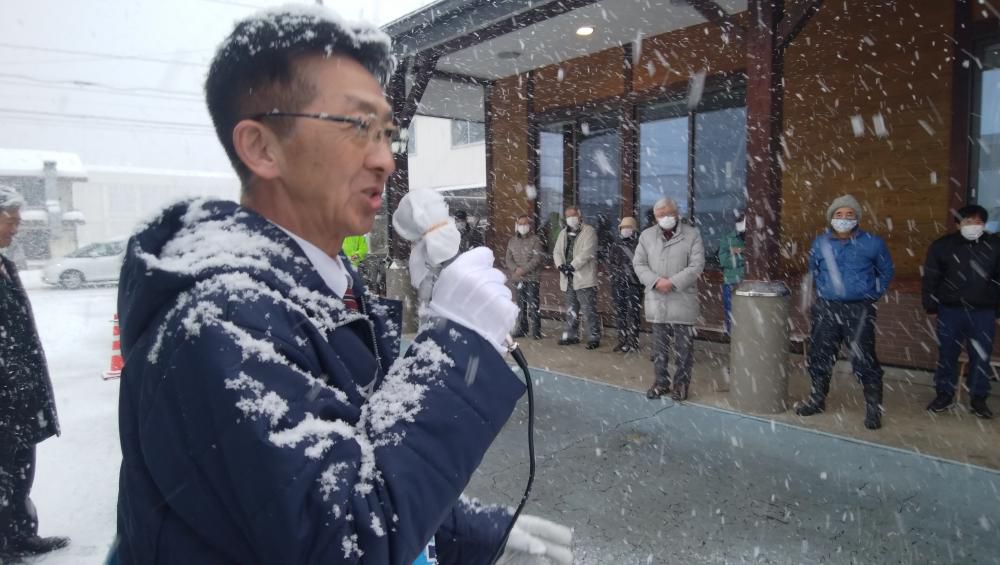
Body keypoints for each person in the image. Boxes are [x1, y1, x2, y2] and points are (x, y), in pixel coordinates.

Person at [112, 8, 572, 565]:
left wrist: (463, 532)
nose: (383, 159)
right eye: (356, 127)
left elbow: (349, 463)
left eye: (386, 132)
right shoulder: (219, 320)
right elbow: (342, 542)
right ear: (262, 147)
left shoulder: (319, 288)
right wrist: (461, 347)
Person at [0, 185, 70, 560]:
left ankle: (20, 535)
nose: (17, 226)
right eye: (10, 219)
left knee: (19, 469)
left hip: (20, 394)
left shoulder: (6, 266)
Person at [795, 194, 894, 430]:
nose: (844, 218)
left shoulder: (872, 243)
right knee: (820, 354)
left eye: (849, 214)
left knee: (864, 358)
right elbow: (813, 271)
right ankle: (817, 399)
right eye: (839, 214)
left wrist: (871, 296)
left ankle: (873, 409)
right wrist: (819, 297)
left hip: (859, 309)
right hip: (826, 308)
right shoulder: (820, 243)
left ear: (857, 218)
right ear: (831, 218)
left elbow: (886, 271)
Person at [922, 205, 999, 419]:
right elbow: (931, 278)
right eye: (967, 221)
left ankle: (978, 397)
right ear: (958, 224)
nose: (973, 226)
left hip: (983, 311)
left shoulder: (995, 245)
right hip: (950, 310)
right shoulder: (943, 246)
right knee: (947, 354)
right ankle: (944, 394)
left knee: (981, 356)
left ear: (984, 224)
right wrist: (931, 305)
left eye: (977, 222)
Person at [633, 198, 705, 402]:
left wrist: (672, 282)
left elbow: (697, 266)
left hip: (683, 299)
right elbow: (639, 264)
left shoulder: (692, 234)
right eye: (661, 214)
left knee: (684, 348)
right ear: (655, 217)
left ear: (677, 212)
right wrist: (655, 281)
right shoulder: (647, 236)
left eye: (669, 213)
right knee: (659, 348)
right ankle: (660, 382)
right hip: (657, 299)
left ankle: (681, 384)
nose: (666, 218)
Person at [553, 206, 601, 349]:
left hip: (583, 276)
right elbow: (557, 251)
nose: (571, 218)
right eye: (568, 216)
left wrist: (572, 266)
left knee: (588, 310)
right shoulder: (563, 233)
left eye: (573, 215)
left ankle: (593, 337)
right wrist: (561, 266)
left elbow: (588, 252)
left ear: (580, 216)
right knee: (571, 309)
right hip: (568, 277)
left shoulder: (589, 231)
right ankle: (571, 335)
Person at [505, 214, 546, 339]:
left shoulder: (536, 240)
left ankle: (536, 331)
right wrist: (515, 269)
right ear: (517, 225)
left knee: (533, 305)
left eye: (525, 224)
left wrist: (524, 269)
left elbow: (537, 258)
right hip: (518, 278)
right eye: (520, 224)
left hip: (532, 278)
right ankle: (522, 329)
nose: (523, 226)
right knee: (520, 306)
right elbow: (508, 258)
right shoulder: (512, 240)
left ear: (529, 225)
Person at [609, 217, 643, 353]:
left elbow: (642, 265)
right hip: (618, 284)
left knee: (633, 313)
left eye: (629, 227)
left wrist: (629, 274)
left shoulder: (640, 245)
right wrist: (619, 275)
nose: (626, 230)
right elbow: (610, 264)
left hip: (635, 284)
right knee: (620, 312)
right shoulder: (615, 244)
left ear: (634, 229)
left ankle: (632, 342)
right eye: (623, 228)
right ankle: (622, 340)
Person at [717, 212, 746, 336]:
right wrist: (744, 255)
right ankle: (732, 339)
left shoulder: (757, 237)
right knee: (731, 314)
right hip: (732, 282)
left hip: (750, 283)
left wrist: (738, 253)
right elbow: (724, 261)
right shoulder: (728, 239)